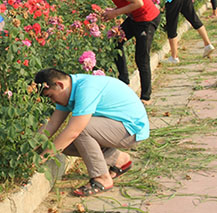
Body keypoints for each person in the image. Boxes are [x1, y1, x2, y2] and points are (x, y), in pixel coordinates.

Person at [35, 68, 149, 196]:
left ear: (59, 85)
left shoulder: (86, 89)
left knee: (80, 129)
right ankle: (119, 159)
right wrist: (31, 148)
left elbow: (74, 131)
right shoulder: (69, 88)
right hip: (117, 126)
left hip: (131, 130)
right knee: (64, 145)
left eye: (50, 96)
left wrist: (40, 160)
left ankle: (102, 178)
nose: (52, 101)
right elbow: (52, 124)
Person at [80, 0, 161, 104]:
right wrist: (111, 11)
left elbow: (138, 3)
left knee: (141, 58)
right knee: (115, 41)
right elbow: (127, 2)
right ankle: (124, 81)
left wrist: (115, 13)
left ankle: (145, 97)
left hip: (147, 19)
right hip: (135, 18)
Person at [121, 0, 214, 63]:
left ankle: (174, 57)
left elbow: (140, 0)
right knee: (193, 17)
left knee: (171, 26)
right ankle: (207, 44)